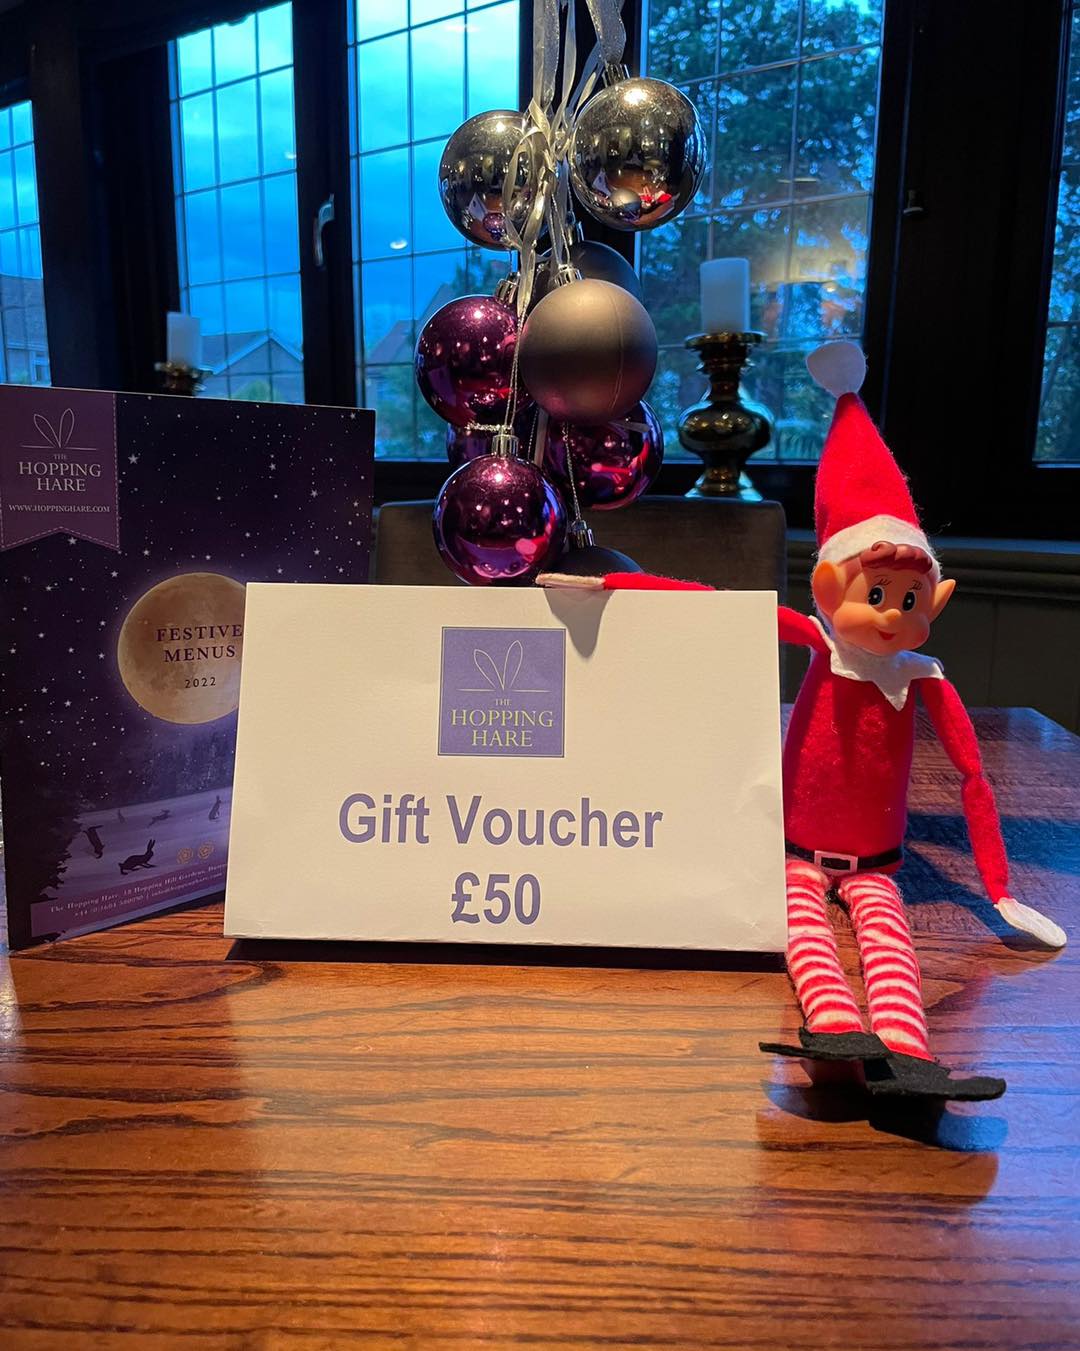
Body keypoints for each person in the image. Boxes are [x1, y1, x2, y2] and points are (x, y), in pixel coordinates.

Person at [539, 341, 1066, 1101]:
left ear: (936, 601)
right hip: (795, 850)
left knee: (889, 936)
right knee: (804, 930)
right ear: (825, 585)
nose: (891, 616)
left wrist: (998, 891)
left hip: (879, 860)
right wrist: (610, 585)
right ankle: (832, 1028)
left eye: (909, 600)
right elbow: (712, 603)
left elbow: (972, 775)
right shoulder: (817, 641)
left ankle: (909, 1056)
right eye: (876, 594)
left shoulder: (921, 678)